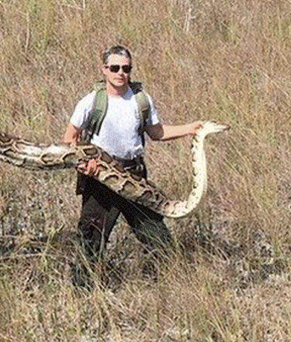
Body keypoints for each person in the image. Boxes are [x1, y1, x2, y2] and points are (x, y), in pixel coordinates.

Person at [62, 45, 202, 286]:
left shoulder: (141, 100)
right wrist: (84, 165)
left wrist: (190, 129)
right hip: (100, 179)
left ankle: (174, 284)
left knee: (156, 234)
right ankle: (83, 294)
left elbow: (156, 132)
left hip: (134, 176)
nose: (120, 73)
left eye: (126, 68)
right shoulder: (91, 101)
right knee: (91, 239)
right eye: (114, 68)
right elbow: (70, 137)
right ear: (103, 69)